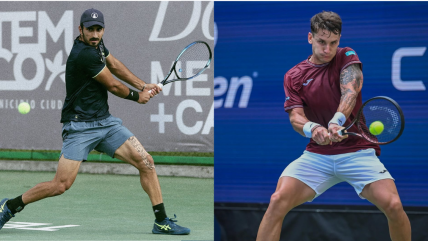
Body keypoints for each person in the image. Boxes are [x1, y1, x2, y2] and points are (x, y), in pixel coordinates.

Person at [0, 8, 190, 235]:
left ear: (103, 30)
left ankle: (161, 221)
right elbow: (113, 85)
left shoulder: (97, 45)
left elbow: (115, 65)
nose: (94, 34)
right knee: (61, 185)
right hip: (79, 127)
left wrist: (143, 84)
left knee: (146, 162)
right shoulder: (85, 54)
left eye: (98, 29)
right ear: (80, 30)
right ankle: (9, 206)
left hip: (106, 124)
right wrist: (138, 96)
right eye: (90, 29)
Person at [256, 11, 410, 241]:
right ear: (310, 38)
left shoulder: (347, 55)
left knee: (394, 205)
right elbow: (296, 117)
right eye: (321, 42)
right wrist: (314, 129)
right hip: (318, 156)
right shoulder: (294, 76)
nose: (327, 49)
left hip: (358, 151)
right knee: (277, 201)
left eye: (333, 43)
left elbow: (350, 90)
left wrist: (336, 121)